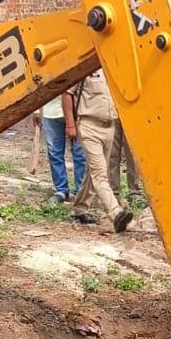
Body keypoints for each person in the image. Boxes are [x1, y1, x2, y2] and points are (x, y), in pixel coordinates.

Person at [66, 72, 134, 232]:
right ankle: (115, 213)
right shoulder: (84, 69)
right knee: (100, 174)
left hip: (110, 127)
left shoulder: (112, 68)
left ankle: (79, 209)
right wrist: (70, 124)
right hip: (89, 126)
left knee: (93, 171)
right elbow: (67, 94)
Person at [35, 94, 86, 203]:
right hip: (50, 111)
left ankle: (80, 192)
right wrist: (37, 110)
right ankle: (61, 190)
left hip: (76, 111)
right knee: (54, 153)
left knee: (80, 154)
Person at [108, 119, 141, 207]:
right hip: (113, 111)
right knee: (112, 154)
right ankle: (114, 193)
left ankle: (134, 192)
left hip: (131, 112)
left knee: (132, 153)